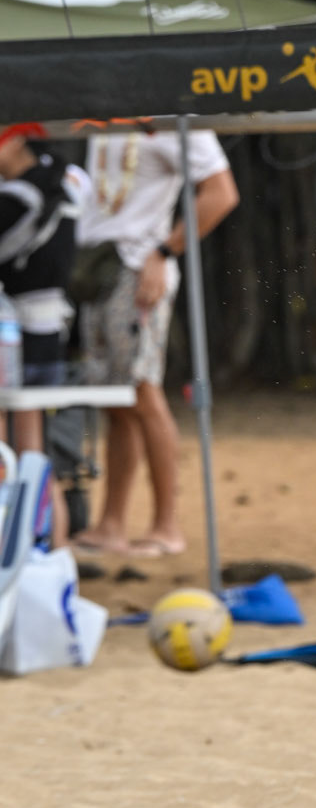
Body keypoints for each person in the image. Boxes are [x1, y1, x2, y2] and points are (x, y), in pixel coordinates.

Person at [74, 129, 239, 556]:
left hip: (137, 267)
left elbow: (221, 193)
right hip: (98, 267)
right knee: (115, 399)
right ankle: (111, 523)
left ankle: (167, 525)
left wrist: (163, 253)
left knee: (143, 390)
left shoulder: (170, 115)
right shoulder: (101, 113)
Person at [0, 122, 81, 541]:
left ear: (17, 141)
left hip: (15, 337)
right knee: (34, 451)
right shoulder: (65, 189)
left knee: (8, 452)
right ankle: (55, 553)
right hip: (50, 337)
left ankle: (18, 552)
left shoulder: (19, 197)